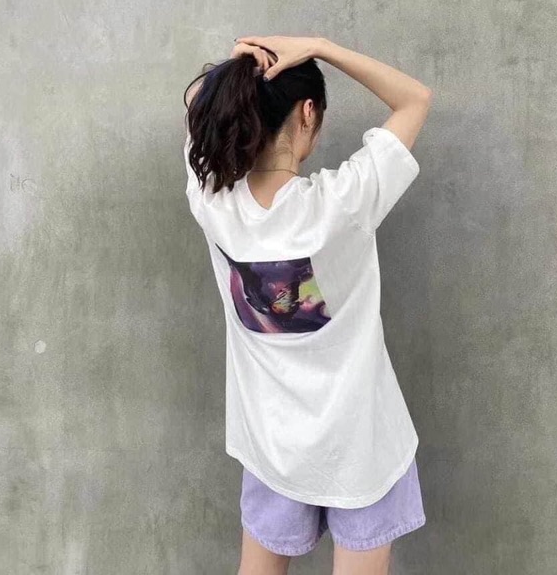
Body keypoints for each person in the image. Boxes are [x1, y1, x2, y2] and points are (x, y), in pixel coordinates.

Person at [182, 35, 433, 575]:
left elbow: (196, 102)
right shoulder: (342, 203)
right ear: (308, 113)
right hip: (360, 447)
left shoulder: (212, 200)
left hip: (271, 445)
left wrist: (244, 66)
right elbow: (415, 98)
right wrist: (322, 46)